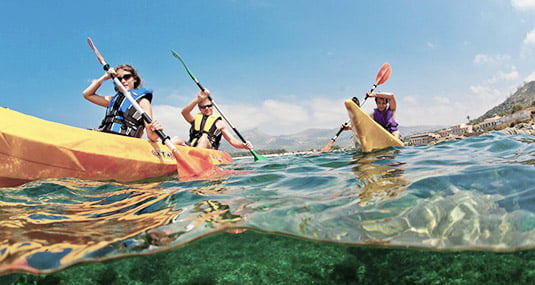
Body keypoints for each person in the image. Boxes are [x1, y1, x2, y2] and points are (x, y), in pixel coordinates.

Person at [82, 64, 163, 142]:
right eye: (119, 79)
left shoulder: (143, 102)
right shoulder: (112, 100)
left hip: (126, 141)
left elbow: (151, 136)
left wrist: (155, 131)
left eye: (127, 77)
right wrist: (105, 77)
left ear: (134, 78)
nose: (123, 81)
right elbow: (87, 94)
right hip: (105, 136)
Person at [172, 89, 253, 150]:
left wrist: (243, 145)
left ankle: (194, 158)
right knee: (176, 139)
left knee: (203, 139)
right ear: (199, 108)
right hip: (192, 147)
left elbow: (232, 140)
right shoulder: (195, 119)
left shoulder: (220, 123)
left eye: (209, 106)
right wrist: (197, 100)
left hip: (209, 150)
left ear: (213, 106)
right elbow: (184, 112)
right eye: (203, 107)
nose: (206, 108)